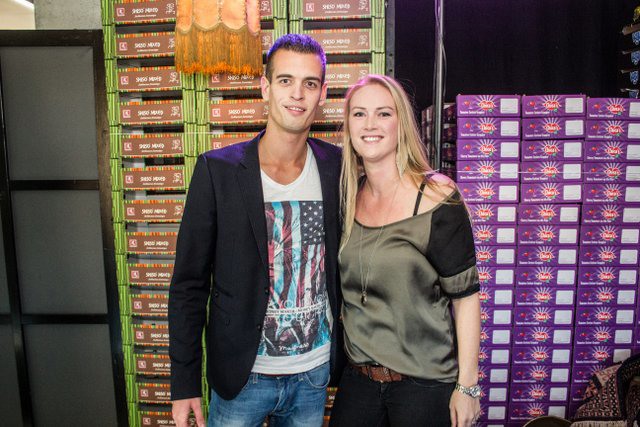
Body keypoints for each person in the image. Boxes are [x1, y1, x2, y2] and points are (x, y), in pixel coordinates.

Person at [168, 34, 343, 427]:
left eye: (310, 83)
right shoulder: (218, 171)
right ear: (265, 87)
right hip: (242, 377)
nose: (297, 94)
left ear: (323, 93)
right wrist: (184, 383)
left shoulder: (337, 166)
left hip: (313, 375)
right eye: (285, 80)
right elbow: (188, 285)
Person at [328, 74, 481, 427]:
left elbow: (466, 299)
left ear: (401, 124)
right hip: (359, 382)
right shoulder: (348, 197)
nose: (370, 124)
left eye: (383, 113)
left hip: (424, 387)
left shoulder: (436, 198)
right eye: (359, 114)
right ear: (348, 126)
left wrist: (467, 386)